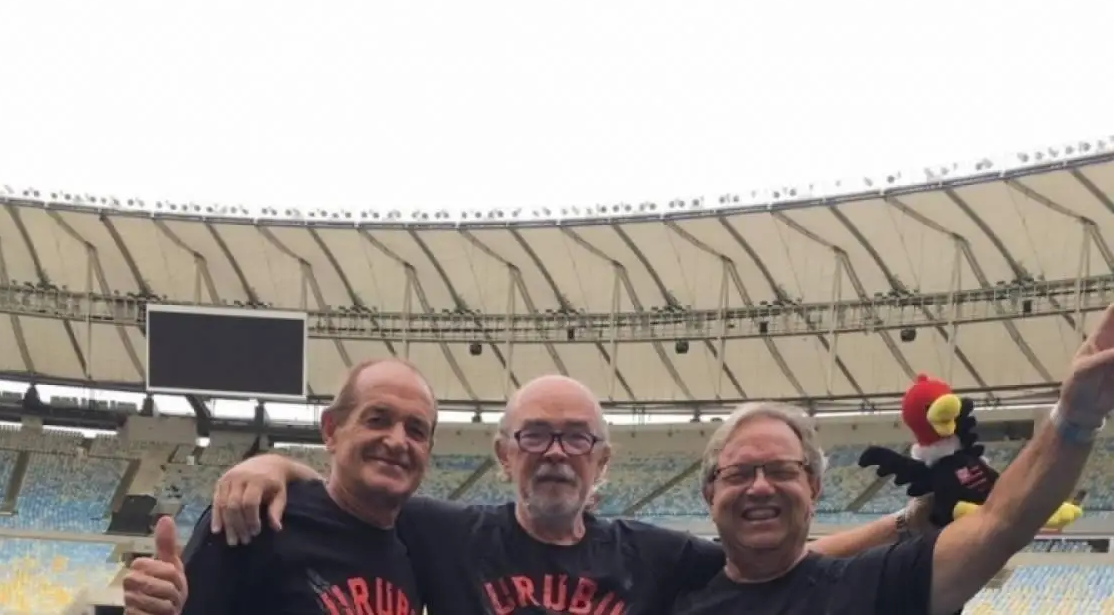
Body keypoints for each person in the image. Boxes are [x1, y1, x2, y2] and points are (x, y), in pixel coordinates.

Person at [209, 374, 929, 614]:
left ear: (602, 462)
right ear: (504, 456)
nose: (556, 453)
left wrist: (901, 524)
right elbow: (358, 491)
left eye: (576, 439)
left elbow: (780, 565)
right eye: (536, 437)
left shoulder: (652, 554)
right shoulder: (441, 531)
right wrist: (276, 466)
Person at [671, 303, 1114, 614]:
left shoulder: (876, 584)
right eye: (740, 473)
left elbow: (999, 525)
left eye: (784, 469)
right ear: (709, 492)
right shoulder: (665, 597)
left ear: (814, 487)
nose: (761, 485)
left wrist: (1075, 417)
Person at [122, 358, 435, 615]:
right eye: (377, 419)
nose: (397, 441)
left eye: (416, 430)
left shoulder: (423, 546)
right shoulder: (255, 519)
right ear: (331, 430)